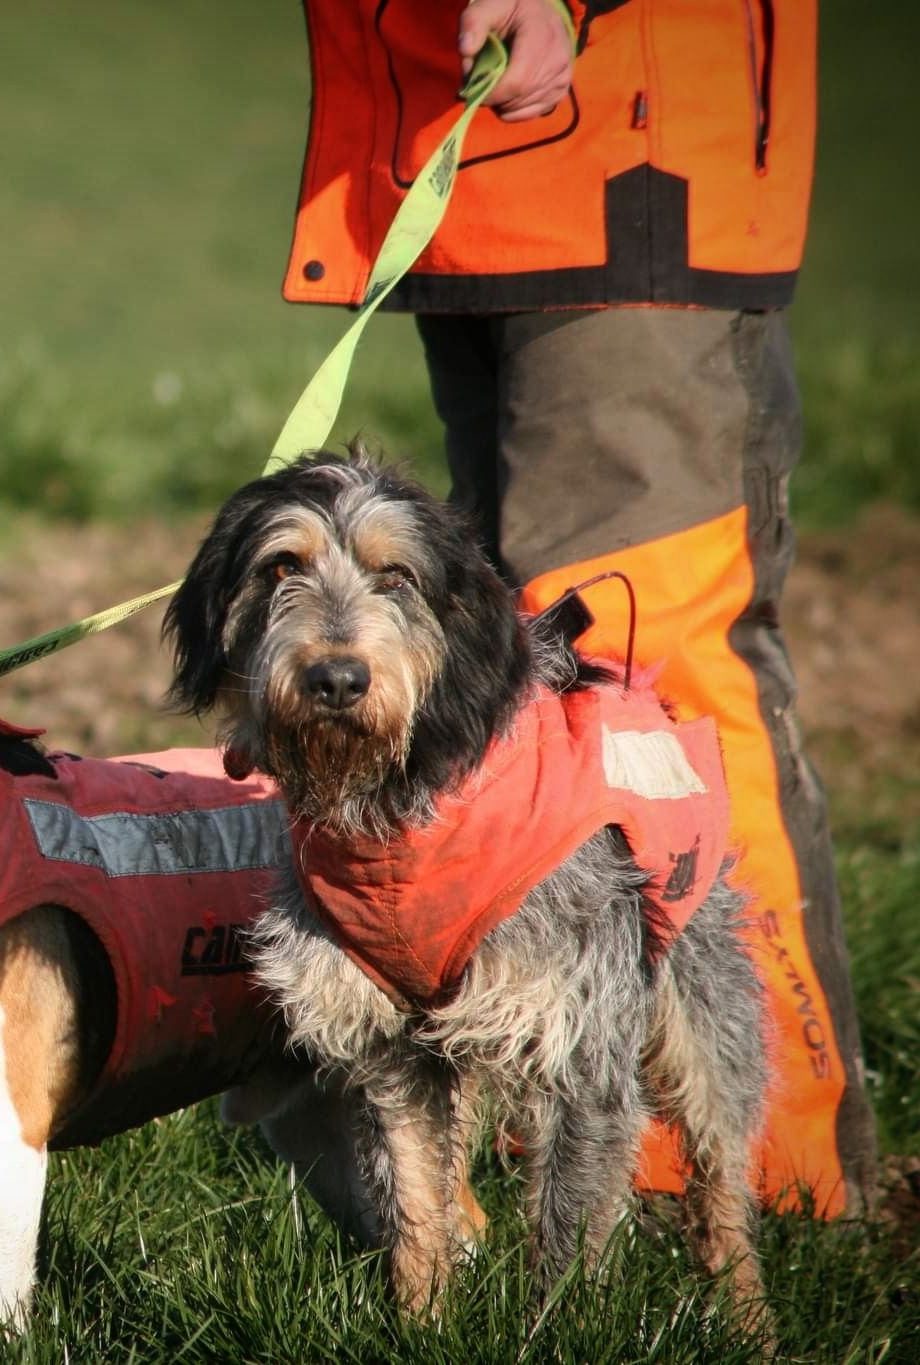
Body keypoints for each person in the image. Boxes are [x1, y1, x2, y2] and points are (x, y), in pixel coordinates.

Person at [282, 0, 873, 1215]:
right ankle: (538, 1145)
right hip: (462, 186)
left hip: (624, 151)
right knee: (495, 702)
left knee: (649, 695)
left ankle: (752, 1187)